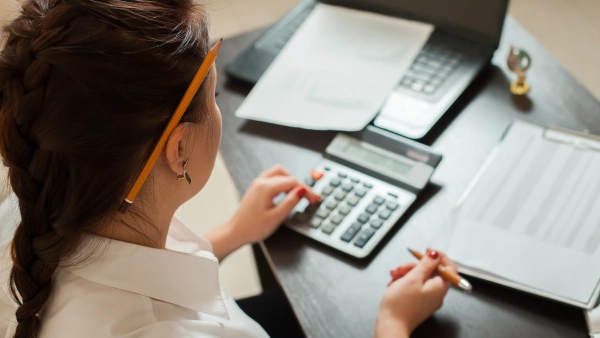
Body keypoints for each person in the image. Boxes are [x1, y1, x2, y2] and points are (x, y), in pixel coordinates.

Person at [0, 1, 457, 337]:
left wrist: (231, 234)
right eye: (214, 99)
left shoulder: (29, 203)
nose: (220, 112)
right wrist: (392, 323)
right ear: (178, 149)